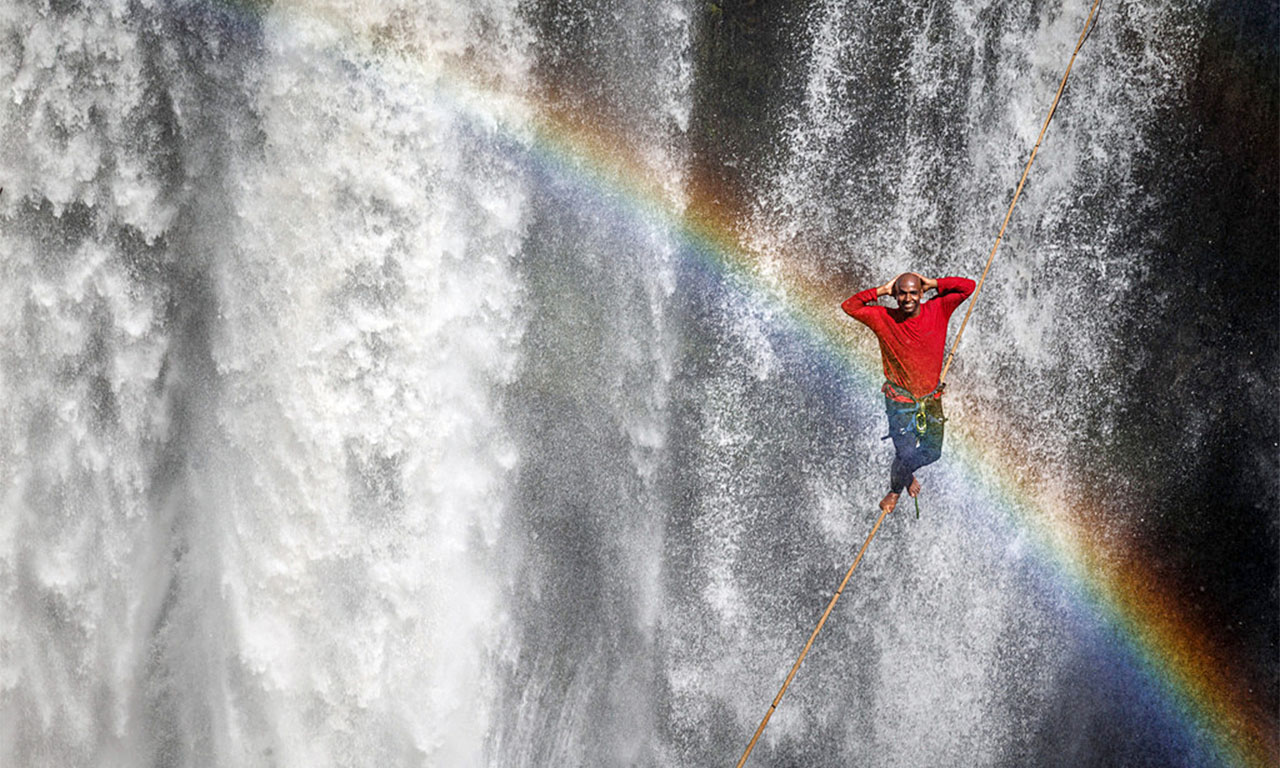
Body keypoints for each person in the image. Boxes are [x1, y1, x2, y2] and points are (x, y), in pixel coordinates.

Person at [841, 272, 976, 514]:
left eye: (913, 292)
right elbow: (849, 306)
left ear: (921, 294)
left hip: (931, 399)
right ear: (895, 295)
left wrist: (933, 283)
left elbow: (968, 287)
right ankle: (894, 491)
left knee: (932, 452)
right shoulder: (883, 317)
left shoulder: (939, 309)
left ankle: (905, 473)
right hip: (900, 402)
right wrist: (882, 290)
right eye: (902, 293)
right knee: (904, 453)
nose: (907, 298)